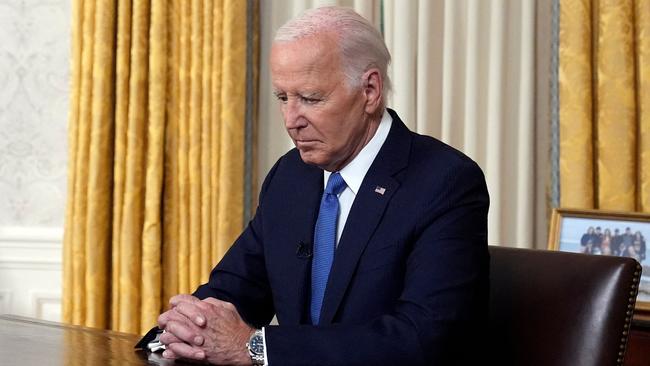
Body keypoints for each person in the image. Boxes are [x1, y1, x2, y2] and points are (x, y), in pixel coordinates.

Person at [142, 6, 489, 365]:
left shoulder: (445, 181)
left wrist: (256, 348)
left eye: (310, 99)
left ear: (369, 90)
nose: (292, 121)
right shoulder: (290, 177)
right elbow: (234, 291)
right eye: (282, 98)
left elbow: (421, 337)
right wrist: (182, 330)